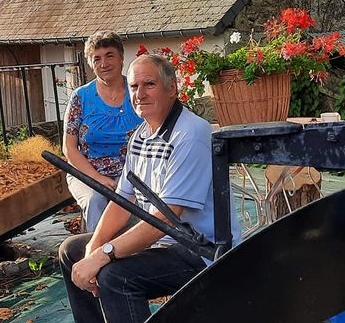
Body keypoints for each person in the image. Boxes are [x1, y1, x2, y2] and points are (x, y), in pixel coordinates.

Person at [60, 53, 233, 323]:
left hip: (201, 251)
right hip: (165, 241)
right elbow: (121, 200)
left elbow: (165, 217)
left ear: (172, 88)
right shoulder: (142, 134)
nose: (139, 94)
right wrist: (94, 246)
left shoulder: (191, 134)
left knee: (115, 276)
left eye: (149, 84)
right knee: (72, 251)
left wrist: (104, 255)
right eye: (134, 86)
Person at [64, 31, 143, 232]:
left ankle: (140, 255)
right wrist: (97, 179)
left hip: (134, 171)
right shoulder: (80, 97)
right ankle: (96, 256)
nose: (104, 63)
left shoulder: (138, 91)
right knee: (95, 200)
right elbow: (69, 148)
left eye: (109, 55)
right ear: (91, 63)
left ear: (121, 58)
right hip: (89, 172)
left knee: (142, 204)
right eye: (96, 58)